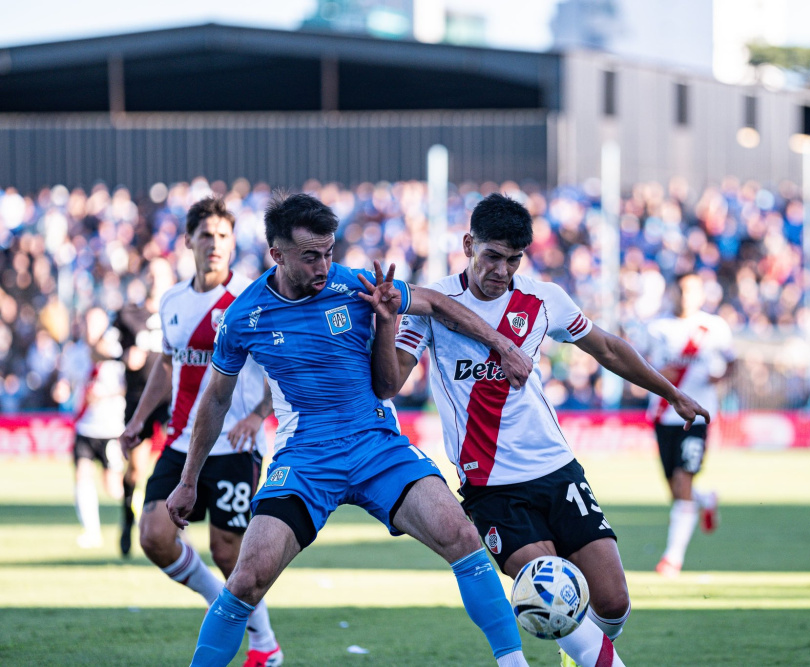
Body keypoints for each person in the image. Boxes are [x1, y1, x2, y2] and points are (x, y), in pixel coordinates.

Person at [165, 192, 536, 667]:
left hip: (376, 445)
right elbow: (215, 398)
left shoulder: (358, 287)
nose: (324, 266)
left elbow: (436, 304)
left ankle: (514, 664)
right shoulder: (244, 315)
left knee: (462, 537)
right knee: (247, 578)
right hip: (305, 458)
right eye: (310, 256)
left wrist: (502, 344)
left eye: (329, 252)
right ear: (277, 254)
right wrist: (188, 480)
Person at [391, 193, 711, 667]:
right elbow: (393, 376)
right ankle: (594, 656)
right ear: (468, 245)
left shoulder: (544, 300)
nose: (501, 270)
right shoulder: (433, 304)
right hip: (491, 486)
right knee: (549, 589)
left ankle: (577, 649)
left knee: (613, 602)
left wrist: (670, 392)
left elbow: (607, 349)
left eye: (513, 260)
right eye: (492, 256)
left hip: (557, 470)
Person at [120, 197, 283, 667]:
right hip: (180, 440)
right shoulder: (171, 300)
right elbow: (167, 365)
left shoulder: (252, 298)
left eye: (223, 236)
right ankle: (225, 608)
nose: (214, 244)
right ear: (189, 240)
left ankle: (265, 645)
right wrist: (137, 421)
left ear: (233, 245)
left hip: (235, 442)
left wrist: (258, 414)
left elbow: (280, 366)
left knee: (229, 553)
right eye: (206, 235)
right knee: (154, 535)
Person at [641, 272, 732, 578]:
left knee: (682, 484)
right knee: (676, 490)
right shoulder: (657, 328)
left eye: (692, 291)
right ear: (673, 292)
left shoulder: (715, 327)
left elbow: (732, 360)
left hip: (698, 416)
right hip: (664, 415)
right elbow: (640, 365)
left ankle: (672, 559)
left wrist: (721, 378)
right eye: (681, 290)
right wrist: (657, 371)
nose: (686, 296)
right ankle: (706, 498)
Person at [115, 277, 171, 557]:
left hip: (174, 400)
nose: (154, 280)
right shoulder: (128, 315)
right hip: (140, 400)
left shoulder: (178, 308)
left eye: (160, 273)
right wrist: (124, 356)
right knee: (136, 468)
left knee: (181, 459)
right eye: (150, 273)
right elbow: (101, 347)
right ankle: (128, 517)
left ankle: (171, 525)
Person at [73, 307, 127, 548]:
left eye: (95, 322)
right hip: (85, 426)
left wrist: (103, 395)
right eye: (87, 321)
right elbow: (71, 380)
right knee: (81, 475)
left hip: (110, 428)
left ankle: (145, 512)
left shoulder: (115, 353)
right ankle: (91, 532)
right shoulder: (75, 352)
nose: (90, 327)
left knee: (114, 487)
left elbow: (128, 386)